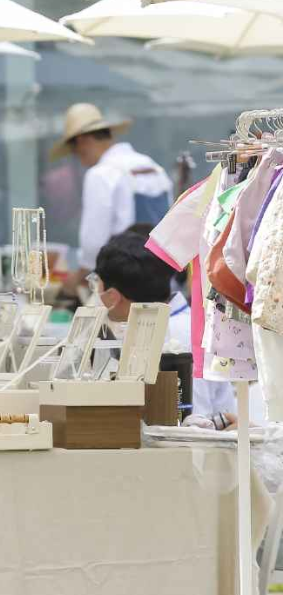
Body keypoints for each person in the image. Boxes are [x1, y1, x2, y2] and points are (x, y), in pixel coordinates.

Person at [92, 229, 235, 418]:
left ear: (112, 296)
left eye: (96, 284)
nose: (95, 292)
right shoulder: (161, 323)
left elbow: (192, 419)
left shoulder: (176, 336)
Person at [53, 103, 173, 297]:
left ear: (82, 141)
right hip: (162, 280)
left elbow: (93, 242)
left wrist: (79, 277)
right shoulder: (153, 167)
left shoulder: (101, 174)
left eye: (75, 150)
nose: (78, 158)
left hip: (123, 284)